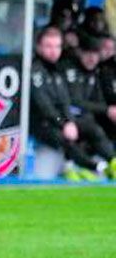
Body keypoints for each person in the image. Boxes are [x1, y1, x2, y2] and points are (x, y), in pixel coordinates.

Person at [32, 27, 116, 181]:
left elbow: (65, 102)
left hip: (59, 120)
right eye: (48, 46)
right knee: (64, 137)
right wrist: (64, 124)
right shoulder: (35, 70)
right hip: (42, 123)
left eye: (57, 46)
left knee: (92, 128)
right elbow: (44, 107)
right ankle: (97, 168)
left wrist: (69, 121)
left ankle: (112, 162)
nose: (53, 51)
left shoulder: (56, 71)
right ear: (39, 47)